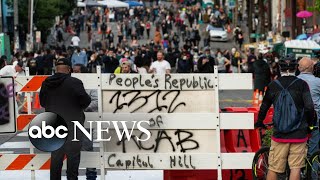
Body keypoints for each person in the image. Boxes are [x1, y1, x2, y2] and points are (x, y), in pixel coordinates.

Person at [255, 55, 316, 180]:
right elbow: (309, 107)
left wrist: (259, 122)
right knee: (295, 168)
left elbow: (264, 107)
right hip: (299, 134)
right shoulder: (302, 85)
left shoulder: (273, 85)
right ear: (296, 68)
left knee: (273, 168)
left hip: (279, 134)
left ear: (279, 68)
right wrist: (310, 125)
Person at [40, 58, 91, 180]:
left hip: (55, 125)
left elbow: (42, 102)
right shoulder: (75, 82)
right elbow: (86, 101)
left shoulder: (46, 82)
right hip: (73, 126)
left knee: (56, 159)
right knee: (73, 160)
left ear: (55, 69)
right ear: (69, 69)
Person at [73, 64, 98, 180]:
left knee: (87, 148)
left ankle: (91, 175)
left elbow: (96, 101)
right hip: (71, 121)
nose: (74, 73)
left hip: (86, 121)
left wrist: (82, 108)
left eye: (77, 71)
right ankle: (73, 175)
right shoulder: (70, 84)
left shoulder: (90, 85)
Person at [298, 57, 320, 159]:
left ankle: (299, 170)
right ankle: (313, 173)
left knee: (297, 148)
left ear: (299, 68)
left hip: (297, 119)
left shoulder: (294, 81)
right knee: (314, 147)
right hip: (315, 119)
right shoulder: (317, 82)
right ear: (312, 68)